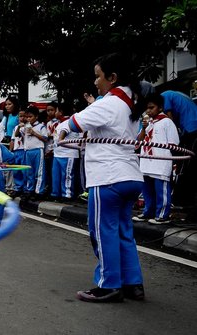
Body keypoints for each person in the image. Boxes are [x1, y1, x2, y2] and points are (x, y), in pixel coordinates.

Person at [57, 52, 145, 303]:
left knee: (102, 232)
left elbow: (73, 123)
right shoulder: (131, 101)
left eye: (98, 77)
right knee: (123, 231)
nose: (95, 82)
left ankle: (109, 285)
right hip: (130, 176)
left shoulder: (109, 103)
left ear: (112, 77)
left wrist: (60, 131)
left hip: (107, 178)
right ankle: (133, 283)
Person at [133, 93, 179, 224]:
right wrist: (144, 128)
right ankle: (149, 212)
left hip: (160, 163)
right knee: (147, 191)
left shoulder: (167, 122)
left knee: (161, 191)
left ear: (160, 108)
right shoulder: (148, 123)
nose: (148, 111)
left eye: (151, 107)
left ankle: (163, 215)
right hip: (146, 163)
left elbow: (174, 144)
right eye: (146, 108)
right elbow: (138, 142)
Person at [160, 90, 197, 220]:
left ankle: (182, 202)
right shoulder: (176, 94)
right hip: (191, 127)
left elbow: (168, 121)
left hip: (191, 128)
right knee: (186, 165)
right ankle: (184, 202)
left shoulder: (164, 96)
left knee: (184, 166)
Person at [21, 106, 48, 198]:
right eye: (27, 117)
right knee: (29, 172)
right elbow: (19, 135)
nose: (28, 119)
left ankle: (39, 191)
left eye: (30, 117)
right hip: (28, 151)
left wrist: (34, 133)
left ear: (36, 116)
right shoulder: (26, 127)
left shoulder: (41, 126)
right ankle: (30, 190)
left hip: (37, 150)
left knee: (39, 172)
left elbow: (45, 138)